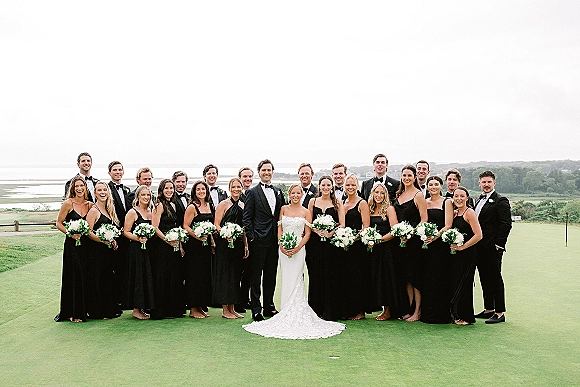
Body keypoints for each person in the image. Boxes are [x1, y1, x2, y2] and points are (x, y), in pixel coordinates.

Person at [243, 184, 346, 339]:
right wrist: (281, 245)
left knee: (297, 278)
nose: (296, 195)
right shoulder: (283, 209)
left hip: (299, 249)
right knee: (285, 278)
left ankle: (296, 309)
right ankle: (284, 309)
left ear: (301, 194)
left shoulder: (306, 211)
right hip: (283, 249)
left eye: (298, 193)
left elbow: (308, 233)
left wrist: (298, 247)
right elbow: (279, 229)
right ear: (289, 194)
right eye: (293, 193)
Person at [242, 159, 285, 321]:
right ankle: (256, 309)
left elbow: (281, 214)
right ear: (259, 172)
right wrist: (252, 237)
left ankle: (269, 306)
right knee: (255, 276)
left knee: (271, 275)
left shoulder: (278, 191)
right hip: (258, 241)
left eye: (269, 170)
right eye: (264, 170)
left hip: (274, 240)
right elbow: (247, 218)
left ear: (272, 172)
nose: (266, 172)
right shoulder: (252, 193)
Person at [474, 170, 512, 324]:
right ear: (479, 183)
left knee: (495, 279)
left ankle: (499, 312)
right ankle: (488, 308)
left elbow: (506, 224)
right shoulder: (478, 200)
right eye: (484, 182)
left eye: (489, 182)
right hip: (479, 247)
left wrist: (498, 245)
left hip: (492, 248)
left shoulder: (501, 200)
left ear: (494, 183)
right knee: (484, 278)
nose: (486, 185)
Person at [55, 176, 93, 322]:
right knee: (74, 276)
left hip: (87, 245)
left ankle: (86, 309)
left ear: (85, 188)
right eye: (76, 186)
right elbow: (59, 223)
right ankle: (72, 312)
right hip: (72, 245)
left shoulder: (90, 205)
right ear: (72, 188)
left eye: (81, 186)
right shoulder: (68, 204)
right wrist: (70, 233)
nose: (79, 188)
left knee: (85, 275)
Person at [393, 165, 428, 322]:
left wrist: (410, 233)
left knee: (415, 277)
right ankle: (409, 308)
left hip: (414, 243)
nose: (406, 178)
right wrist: (401, 234)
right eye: (404, 175)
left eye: (409, 175)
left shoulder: (418, 195)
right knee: (405, 277)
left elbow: (424, 219)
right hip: (400, 242)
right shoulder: (399, 194)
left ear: (414, 177)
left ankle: (418, 311)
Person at [367, 183, 407, 320]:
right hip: (374, 249)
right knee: (377, 278)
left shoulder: (389, 209)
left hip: (387, 248)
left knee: (387, 278)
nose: (379, 195)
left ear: (385, 195)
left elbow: (394, 230)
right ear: (372, 194)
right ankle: (382, 308)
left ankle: (389, 310)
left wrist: (379, 240)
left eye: (381, 193)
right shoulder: (370, 209)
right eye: (376, 192)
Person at [307, 176, 345, 319]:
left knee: (330, 275)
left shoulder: (338, 203)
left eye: (328, 185)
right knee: (316, 274)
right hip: (315, 245)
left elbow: (342, 223)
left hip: (331, 245)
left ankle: (330, 310)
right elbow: (308, 222)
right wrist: (317, 231)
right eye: (323, 185)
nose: (325, 187)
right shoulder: (313, 201)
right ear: (319, 186)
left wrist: (330, 233)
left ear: (332, 187)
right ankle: (315, 309)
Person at [419, 176, 454, 324]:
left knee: (440, 278)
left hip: (440, 246)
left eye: (436, 184)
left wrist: (435, 236)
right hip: (426, 246)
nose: (433, 187)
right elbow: (422, 221)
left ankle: (442, 314)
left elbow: (448, 225)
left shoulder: (447, 202)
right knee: (427, 279)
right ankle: (427, 314)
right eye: (430, 184)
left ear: (441, 186)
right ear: (427, 187)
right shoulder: (424, 202)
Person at [85, 181, 122, 319]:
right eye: (99, 190)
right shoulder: (94, 210)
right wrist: (103, 240)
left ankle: (108, 308)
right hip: (96, 252)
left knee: (107, 279)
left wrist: (113, 240)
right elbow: (88, 232)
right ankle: (98, 311)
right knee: (98, 279)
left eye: (104, 190)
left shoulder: (110, 209)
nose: (102, 192)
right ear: (95, 193)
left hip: (108, 251)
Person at [213, 178, 249, 319]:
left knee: (235, 276)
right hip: (224, 244)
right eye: (233, 187)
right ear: (229, 188)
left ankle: (233, 308)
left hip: (238, 244)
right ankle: (225, 310)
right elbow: (216, 223)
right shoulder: (223, 204)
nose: (236, 189)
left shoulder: (243, 204)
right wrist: (225, 234)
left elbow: (244, 227)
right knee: (225, 276)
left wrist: (245, 245)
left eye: (238, 187)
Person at [150, 179, 184, 319]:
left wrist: (179, 244)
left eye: (171, 188)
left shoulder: (174, 204)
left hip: (175, 245)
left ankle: (173, 310)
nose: (169, 190)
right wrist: (167, 241)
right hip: (162, 247)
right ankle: (162, 310)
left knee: (174, 276)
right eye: (166, 188)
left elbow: (177, 226)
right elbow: (155, 227)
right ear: (161, 190)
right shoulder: (159, 205)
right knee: (163, 276)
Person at [449, 186, 482, 325]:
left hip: (467, 254)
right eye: (456, 196)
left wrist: (463, 247)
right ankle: (457, 314)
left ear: (467, 198)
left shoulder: (470, 213)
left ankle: (467, 317)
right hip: (455, 255)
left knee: (465, 284)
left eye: (462, 196)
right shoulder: (455, 213)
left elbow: (479, 235)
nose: (459, 199)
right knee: (456, 283)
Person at [183, 180, 214, 318]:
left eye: (203, 189)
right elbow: (186, 226)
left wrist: (211, 241)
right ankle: (193, 309)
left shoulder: (209, 206)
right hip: (194, 247)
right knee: (194, 277)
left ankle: (200, 306)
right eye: (198, 189)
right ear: (194, 192)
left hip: (206, 247)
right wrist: (197, 236)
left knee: (204, 277)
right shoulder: (192, 207)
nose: (201, 191)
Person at [123, 185, 155, 320]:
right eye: (143, 195)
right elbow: (126, 232)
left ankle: (145, 306)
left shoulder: (151, 211)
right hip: (137, 249)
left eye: (148, 195)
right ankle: (136, 309)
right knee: (138, 277)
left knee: (148, 276)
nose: (146, 197)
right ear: (138, 196)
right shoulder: (132, 212)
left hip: (150, 249)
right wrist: (139, 238)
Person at [343, 173, 370, 320]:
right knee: (346, 277)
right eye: (348, 185)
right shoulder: (342, 202)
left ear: (357, 186)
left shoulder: (362, 203)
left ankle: (360, 311)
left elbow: (366, 226)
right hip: (344, 246)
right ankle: (347, 308)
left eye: (353, 185)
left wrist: (353, 239)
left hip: (357, 247)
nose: (350, 187)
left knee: (357, 277)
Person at [107, 160, 131, 307]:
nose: (117, 172)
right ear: (109, 173)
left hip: (127, 234)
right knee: (114, 267)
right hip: (114, 234)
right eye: (114, 170)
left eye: (120, 170)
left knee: (125, 267)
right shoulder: (106, 189)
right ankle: (114, 299)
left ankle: (125, 298)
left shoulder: (127, 189)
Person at [237, 166, 254, 312]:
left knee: (249, 271)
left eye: (249, 177)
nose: (247, 179)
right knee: (238, 271)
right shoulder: (237, 196)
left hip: (251, 239)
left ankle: (245, 299)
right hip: (238, 239)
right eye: (244, 177)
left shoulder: (254, 194)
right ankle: (237, 300)